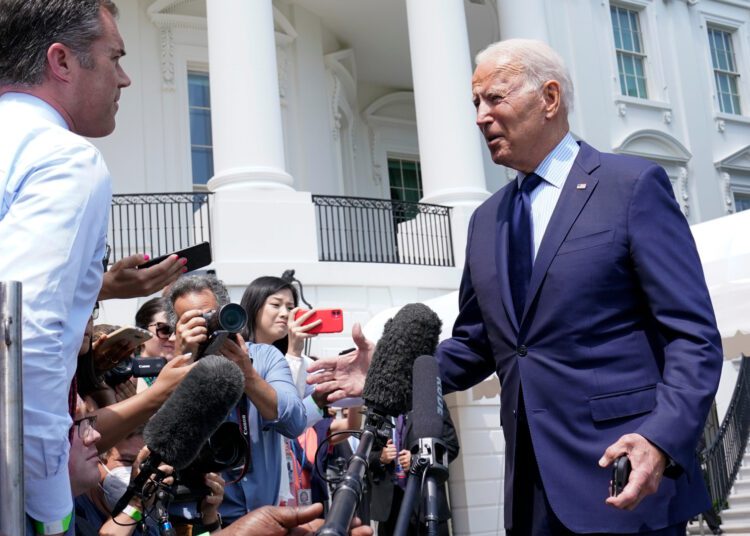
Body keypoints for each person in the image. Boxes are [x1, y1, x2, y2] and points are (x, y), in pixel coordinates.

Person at [309, 38, 724, 535]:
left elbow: (693, 337)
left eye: (495, 98)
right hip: (530, 496)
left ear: (549, 98)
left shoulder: (631, 186)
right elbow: (474, 346)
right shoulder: (487, 220)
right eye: (475, 104)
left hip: (625, 480)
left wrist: (660, 439)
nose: (481, 117)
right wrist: (386, 374)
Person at [0, 1, 129, 532]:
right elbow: (22, 338)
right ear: (62, 61)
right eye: (114, 56)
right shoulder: (64, 157)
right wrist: (52, 514)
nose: (125, 79)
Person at [167, 274, 307, 524]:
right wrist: (184, 362)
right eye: (192, 322)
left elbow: (294, 423)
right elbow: (165, 438)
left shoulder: (264, 358)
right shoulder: (170, 372)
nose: (205, 328)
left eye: (209, 316)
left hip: (265, 519)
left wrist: (249, 376)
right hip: (201, 521)